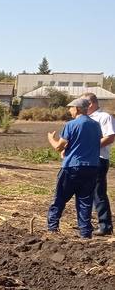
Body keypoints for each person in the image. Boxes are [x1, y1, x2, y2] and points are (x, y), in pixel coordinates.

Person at [46, 97, 102, 238]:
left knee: (59, 198)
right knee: (85, 201)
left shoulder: (71, 124)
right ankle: (85, 233)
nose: (69, 110)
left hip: (72, 166)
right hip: (92, 167)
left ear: (77, 108)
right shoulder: (96, 125)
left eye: (70, 107)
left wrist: (51, 139)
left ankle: (52, 228)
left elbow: (60, 147)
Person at [84, 92, 115, 235]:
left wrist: (91, 146)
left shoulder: (104, 117)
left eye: (83, 104)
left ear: (91, 103)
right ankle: (85, 223)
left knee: (98, 192)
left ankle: (105, 226)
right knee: (85, 192)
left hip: (98, 159)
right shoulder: (85, 118)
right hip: (86, 159)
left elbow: (110, 137)